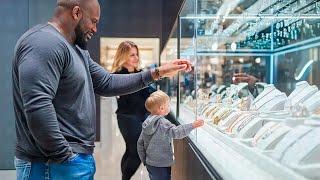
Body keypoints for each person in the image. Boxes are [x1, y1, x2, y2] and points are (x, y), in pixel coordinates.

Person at [11, 0, 192, 179]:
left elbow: (107, 82)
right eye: (94, 21)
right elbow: (38, 105)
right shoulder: (44, 43)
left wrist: (159, 72)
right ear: (76, 13)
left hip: (69, 162)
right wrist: (65, 157)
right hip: (51, 165)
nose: (95, 29)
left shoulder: (76, 49)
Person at [111, 41, 156, 180]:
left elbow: (147, 95)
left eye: (137, 54)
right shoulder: (118, 75)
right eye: (132, 55)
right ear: (123, 56)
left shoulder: (140, 74)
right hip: (127, 118)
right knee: (137, 152)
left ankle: (124, 178)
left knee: (130, 150)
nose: (136, 58)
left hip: (140, 117)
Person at [137, 90, 204, 180]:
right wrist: (192, 125)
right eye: (168, 105)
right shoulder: (163, 123)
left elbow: (140, 143)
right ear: (161, 108)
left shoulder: (147, 122)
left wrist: (144, 160)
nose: (169, 107)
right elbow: (177, 132)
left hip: (150, 163)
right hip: (162, 163)